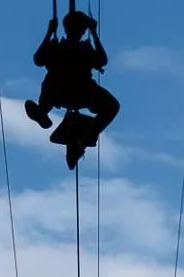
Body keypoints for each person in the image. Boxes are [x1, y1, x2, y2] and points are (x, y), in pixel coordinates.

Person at [25, 10, 121, 169]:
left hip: (71, 92)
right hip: (76, 92)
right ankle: (46, 114)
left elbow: (38, 59)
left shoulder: (63, 47)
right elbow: (39, 59)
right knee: (111, 106)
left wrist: (49, 33)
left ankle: (45, 112)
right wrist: (94, 33)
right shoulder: (76, 48)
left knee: (111, 105)